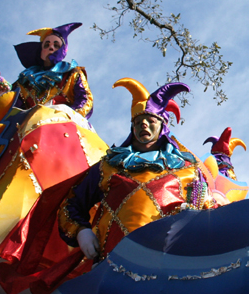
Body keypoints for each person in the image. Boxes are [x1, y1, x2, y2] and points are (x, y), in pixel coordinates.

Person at [58, 78, 214, 260]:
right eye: (138, 122)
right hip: (113, 263)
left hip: (172, 262)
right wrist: (81, 231)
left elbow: (209, 212)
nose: (144, 125)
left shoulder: (188, 169)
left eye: (150, 120)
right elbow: (71, 204)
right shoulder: (109, 166)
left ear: (163, 126)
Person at [12, 22, 93, 118]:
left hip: (62, 123)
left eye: (56, 45)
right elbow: (13, 107)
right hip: (29, 126)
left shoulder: (73, 73)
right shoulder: (25, 80)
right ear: (41, 51)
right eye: (46, 45)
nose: (51, 47)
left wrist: (69, 116)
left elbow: (85, 99)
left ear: (63, 51)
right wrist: (3, 94)